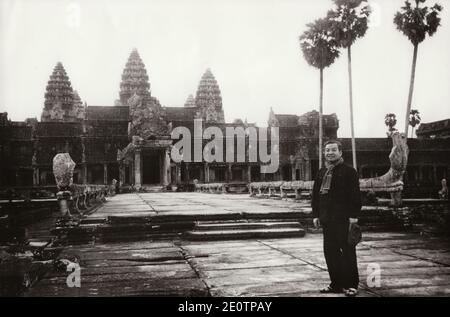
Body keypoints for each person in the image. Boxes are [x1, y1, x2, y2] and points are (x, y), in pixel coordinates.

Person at [312, 140, 362, 297]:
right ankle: (336, 284)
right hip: (327, 219)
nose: (329, 153)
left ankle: (351, 285)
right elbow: (316, 195)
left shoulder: (349, 172)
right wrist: (315, 215)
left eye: (333, 150)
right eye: (327, 150)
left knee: (347, 252)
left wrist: (354, 217)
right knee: (330, 252)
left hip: (344, 219)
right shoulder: (321, 172)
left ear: (340, 152)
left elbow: (355, 196)